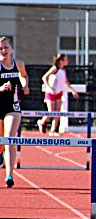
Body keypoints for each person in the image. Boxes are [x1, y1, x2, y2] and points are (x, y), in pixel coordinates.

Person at [0, 36, 30, 187]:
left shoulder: (18, 64)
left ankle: (9, 175)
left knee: (9, 138)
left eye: (6, 47)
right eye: (0, 48)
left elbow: (24, 76)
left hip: (12, 106)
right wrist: (0, 88)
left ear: (11, 48)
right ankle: (0, 155)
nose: (3, 50)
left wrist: (25, 86)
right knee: (1, 141)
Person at [37, 53, 79, 136]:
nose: (67, 61)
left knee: (58, 112)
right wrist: (49, 87)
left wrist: (73, 90)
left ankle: (54, 130)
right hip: (50, 93)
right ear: (61, 61)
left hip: (59, 93)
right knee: (51, 111)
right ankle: (42, 122)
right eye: (66, 60)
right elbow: (44, 77)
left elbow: (66, 82)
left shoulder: (63, 71)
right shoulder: (55, 69)